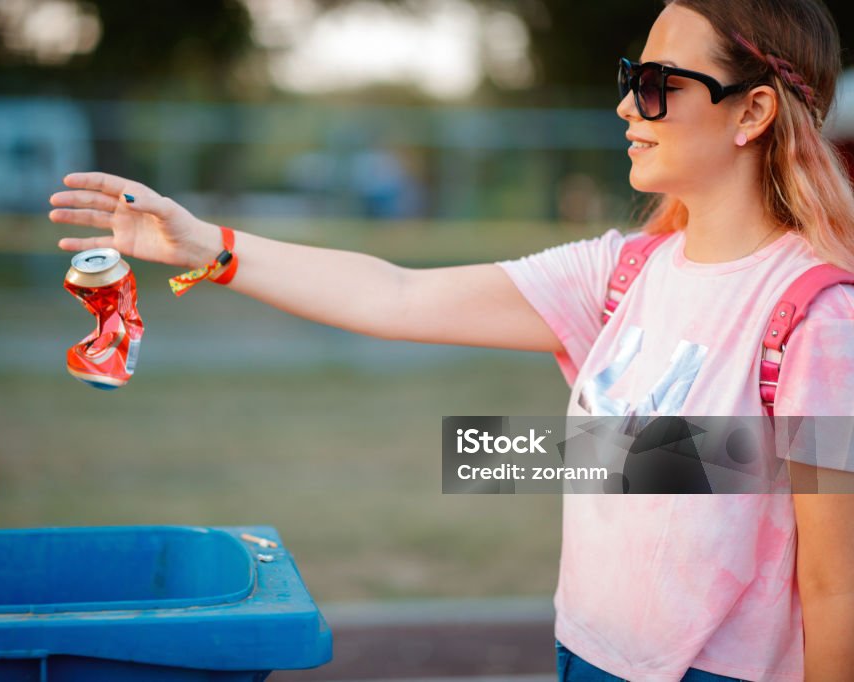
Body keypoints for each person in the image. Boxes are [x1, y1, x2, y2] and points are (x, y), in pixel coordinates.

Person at [49, 0, 854, 678]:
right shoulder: (620, 273)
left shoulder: (815, 317)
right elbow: (395, 294)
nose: (625, 107)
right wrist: (210, 248)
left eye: (656, 86)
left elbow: (835, 590)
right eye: (628, 80)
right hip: (583, 653)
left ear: (752, 111)